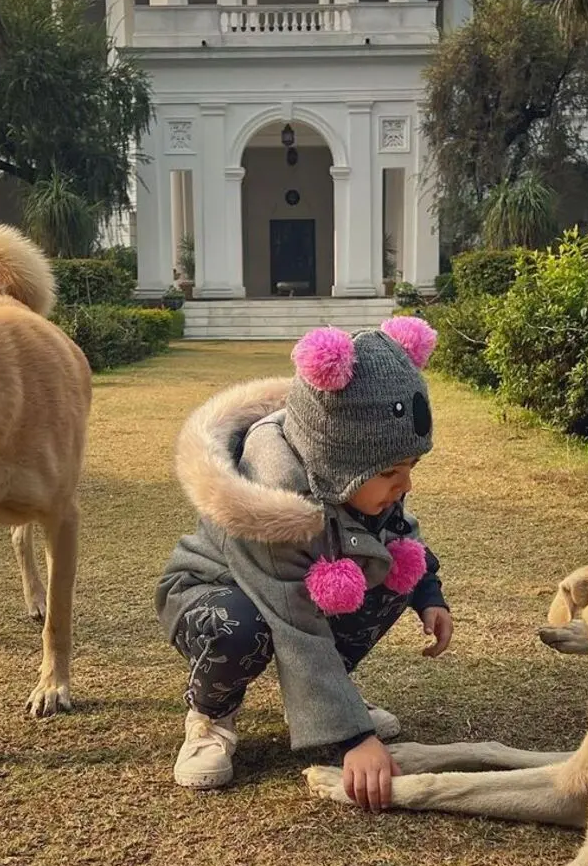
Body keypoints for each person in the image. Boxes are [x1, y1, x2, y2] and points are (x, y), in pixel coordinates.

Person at [156, 316, 452, 811]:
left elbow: (399, 535)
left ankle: (323, 702)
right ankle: (212, 714)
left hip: (295, 596)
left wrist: (428, 595)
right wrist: (354, 738)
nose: (405, 485)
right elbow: (296, 626)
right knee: (241, 627)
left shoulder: (365, 483)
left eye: (411, 468)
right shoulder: (273, 499)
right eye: (391, 472)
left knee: (395, 570)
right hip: (214, 593)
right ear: (339, 458)